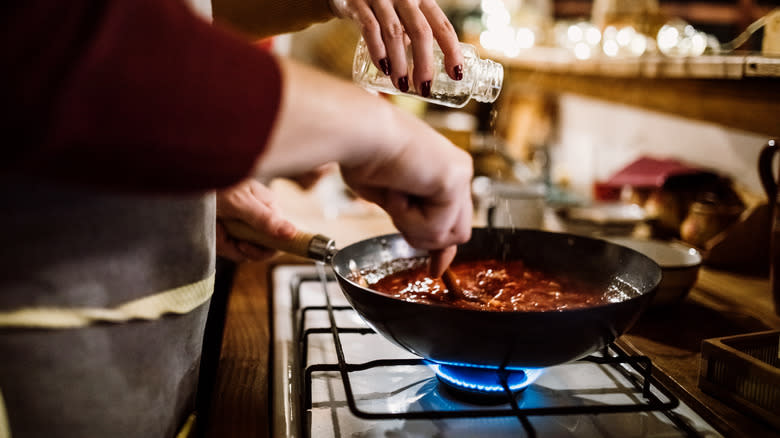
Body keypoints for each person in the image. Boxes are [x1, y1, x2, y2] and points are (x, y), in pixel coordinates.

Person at [0, 1, 472, 437]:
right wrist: (380, 133)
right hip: (38, 365)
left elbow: (179, 17)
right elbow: (54, 41)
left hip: (148, 364)